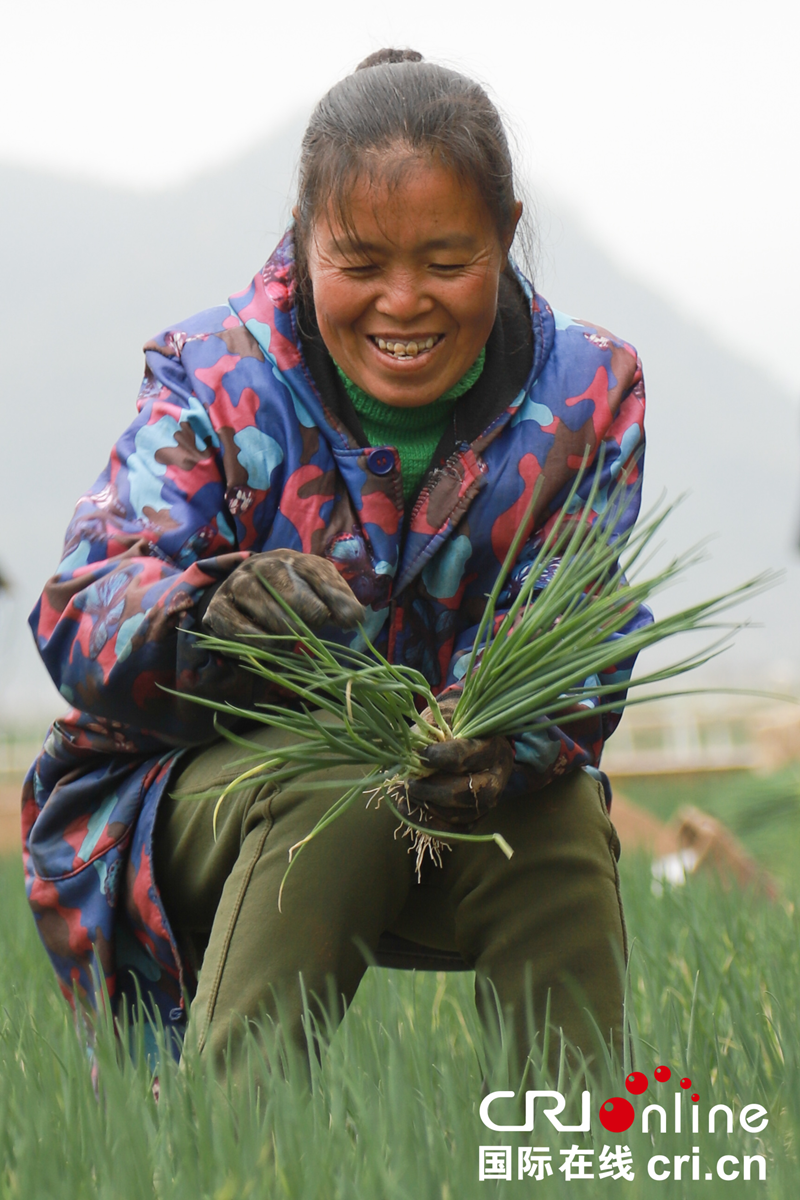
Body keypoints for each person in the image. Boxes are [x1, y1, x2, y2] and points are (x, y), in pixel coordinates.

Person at [24, 48, 647, 1082]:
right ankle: (243, 1154)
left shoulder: (588, 390)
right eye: (358, 265)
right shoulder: (217, 374)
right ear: (304, 242)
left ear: (504, 232)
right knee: (338, 777)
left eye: (446, 263)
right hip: (183, 803)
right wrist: (209, 609)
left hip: (450, 797)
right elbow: (83, 604)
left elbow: (579, 622)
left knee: (560, 814)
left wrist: (507, 746)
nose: (401, 303)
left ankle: (573, 1150)